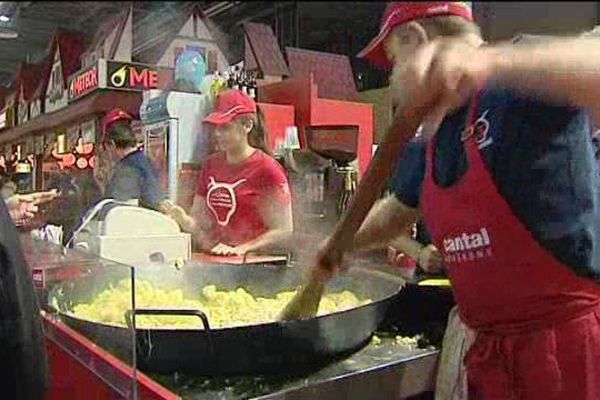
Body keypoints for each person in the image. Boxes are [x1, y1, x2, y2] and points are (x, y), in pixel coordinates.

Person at [311, 2, 600, 399]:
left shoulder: (520, 80)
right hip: (490, 355)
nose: (394, 78)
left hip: (570, 353)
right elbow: (395, 215)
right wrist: (341, 244)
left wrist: (488, 64)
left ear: (416, 40)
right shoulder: (431, 137)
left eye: (394, 62)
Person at [168, 89, 293, 256]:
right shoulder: (210, 165)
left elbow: (284, 229)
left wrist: (242, 249)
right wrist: (184, 220)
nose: (217, 134)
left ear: (247, 125)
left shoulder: (268, 169)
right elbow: (199, 223)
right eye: (216, 128)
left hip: (253, 267)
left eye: (225, 127)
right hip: (215, 261)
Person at [101, 120, 169, 213]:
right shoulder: (145, 161)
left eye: (106, 149)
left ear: (112, 144)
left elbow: (115, 208)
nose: (107, 155)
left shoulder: (127, 168)